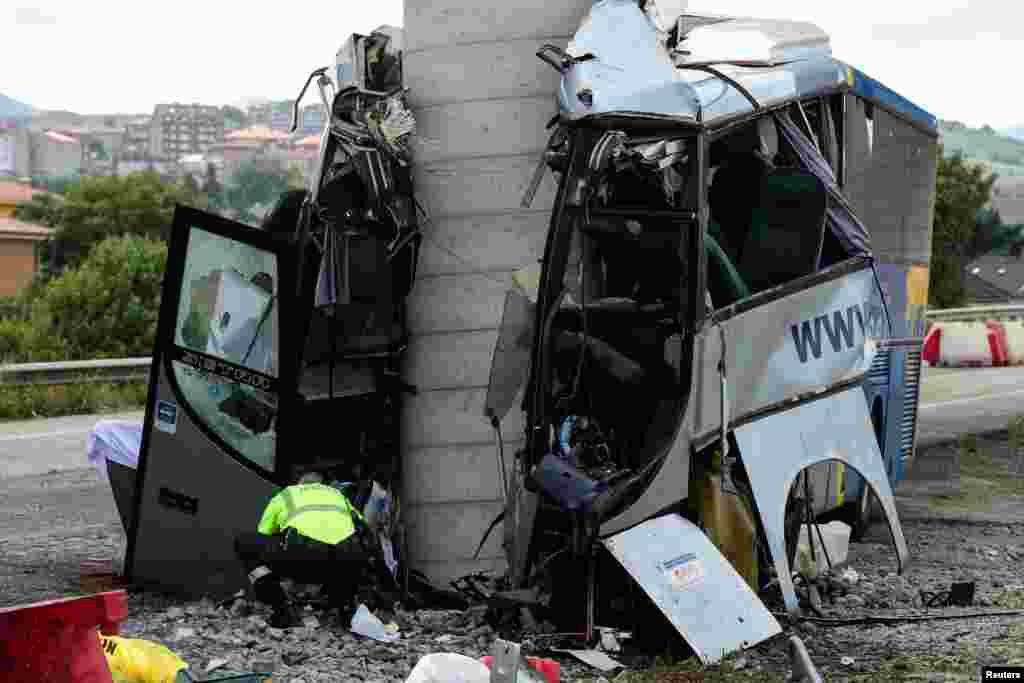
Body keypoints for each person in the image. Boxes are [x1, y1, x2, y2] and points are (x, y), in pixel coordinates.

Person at [234, 471, 370, 628]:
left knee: (246, 543)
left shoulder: (287, 494)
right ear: (322, 486)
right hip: (343, 562)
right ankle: (345, 610)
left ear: (299, 484)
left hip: (303, 561)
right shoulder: (337, 495)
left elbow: (264, 532)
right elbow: (363, 528)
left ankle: (280, 609)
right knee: (346, 552)